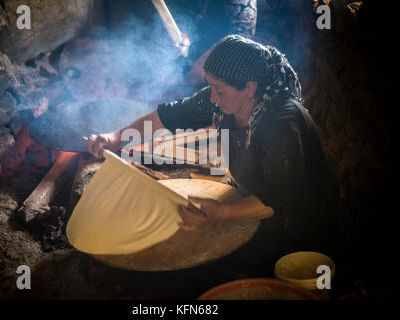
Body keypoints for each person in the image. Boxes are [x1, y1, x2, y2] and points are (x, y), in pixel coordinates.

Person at [86, 35, 339, 276]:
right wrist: (117, 136)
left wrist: (221, 212)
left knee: (224, 264)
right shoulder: (221, 100)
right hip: (250, 192)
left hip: (296, 219)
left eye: (218, 89)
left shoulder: (281, 120)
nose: (212, 97)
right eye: (210, 87)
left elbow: (279, 199)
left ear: (250, 88)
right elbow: (171, 115)